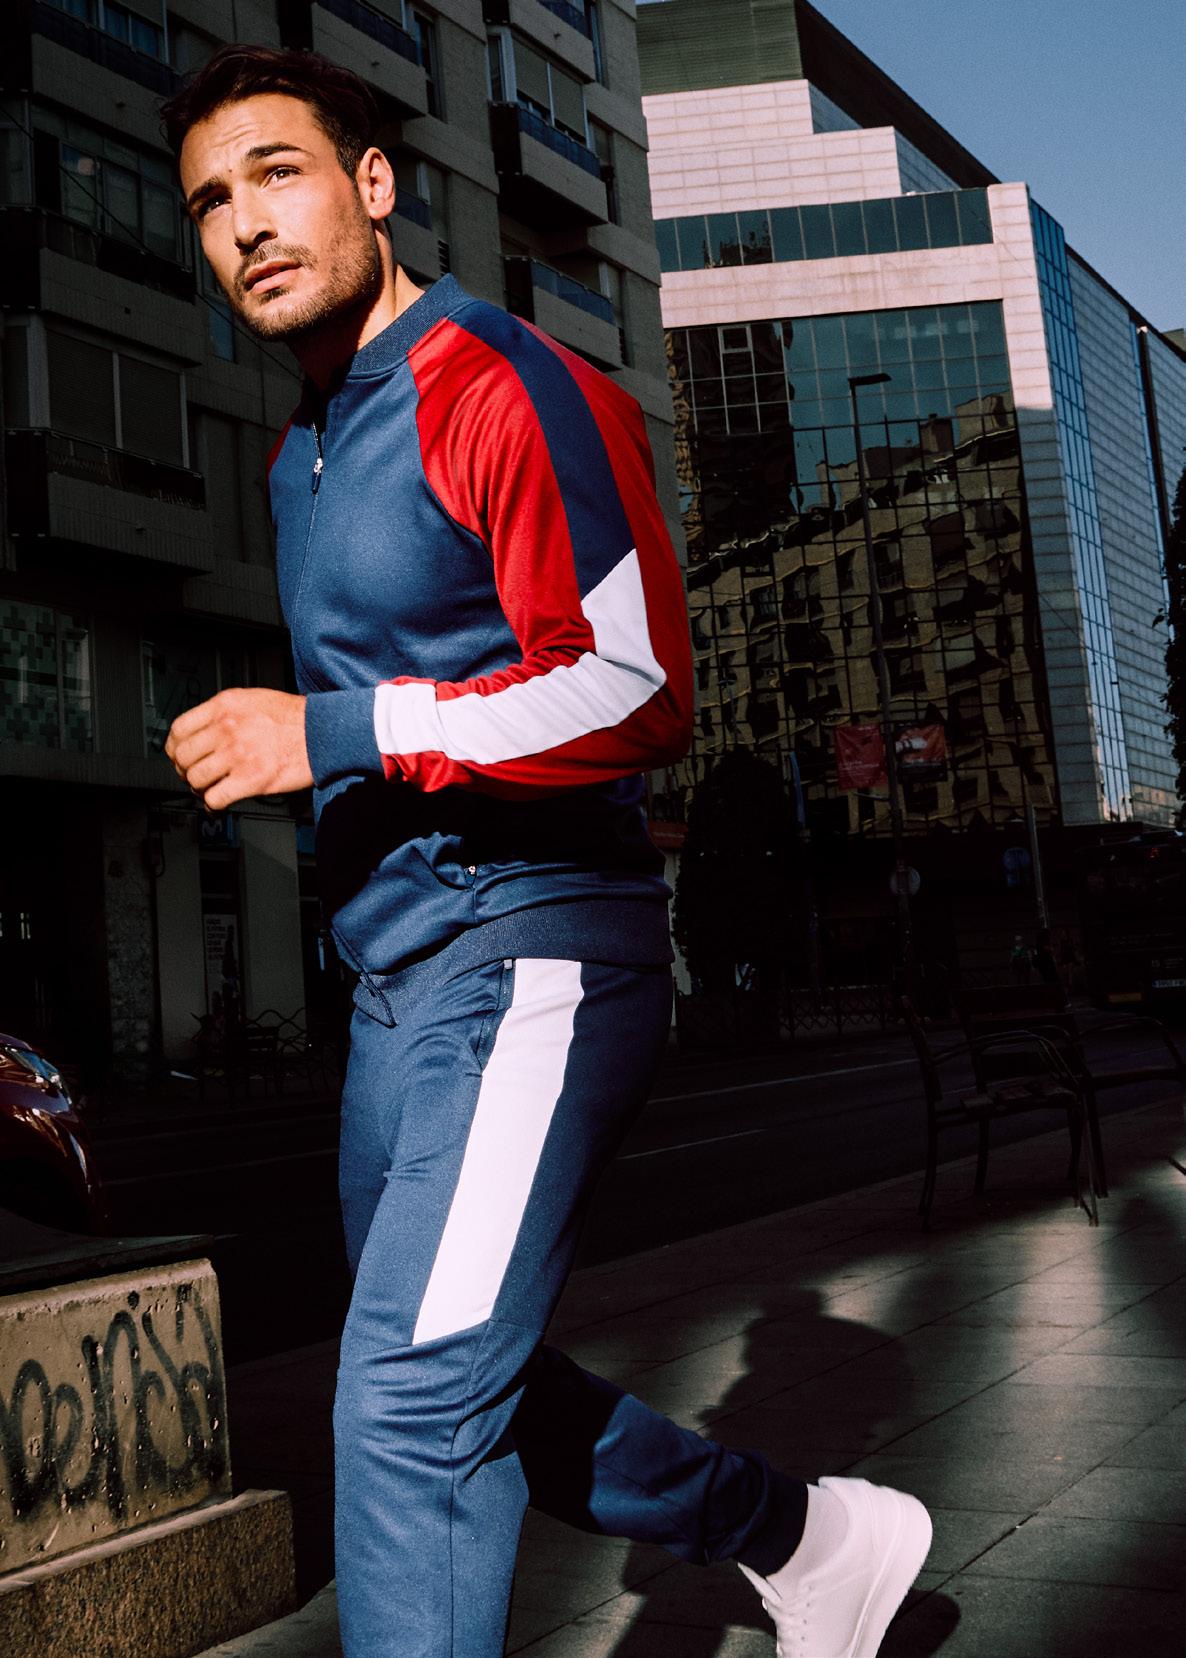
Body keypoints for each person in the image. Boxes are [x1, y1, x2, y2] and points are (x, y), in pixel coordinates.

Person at [160, 47, 930, 1658]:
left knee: (404, 1403)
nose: (246, 223)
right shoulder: (303, 454)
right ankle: (799, 1536)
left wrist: (336, 730)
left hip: (536, 947)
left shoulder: (501, 385)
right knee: (451, 1367)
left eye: (279, 173)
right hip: (393, 988)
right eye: (212, 201)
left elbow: (635, 686)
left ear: (374, 183)